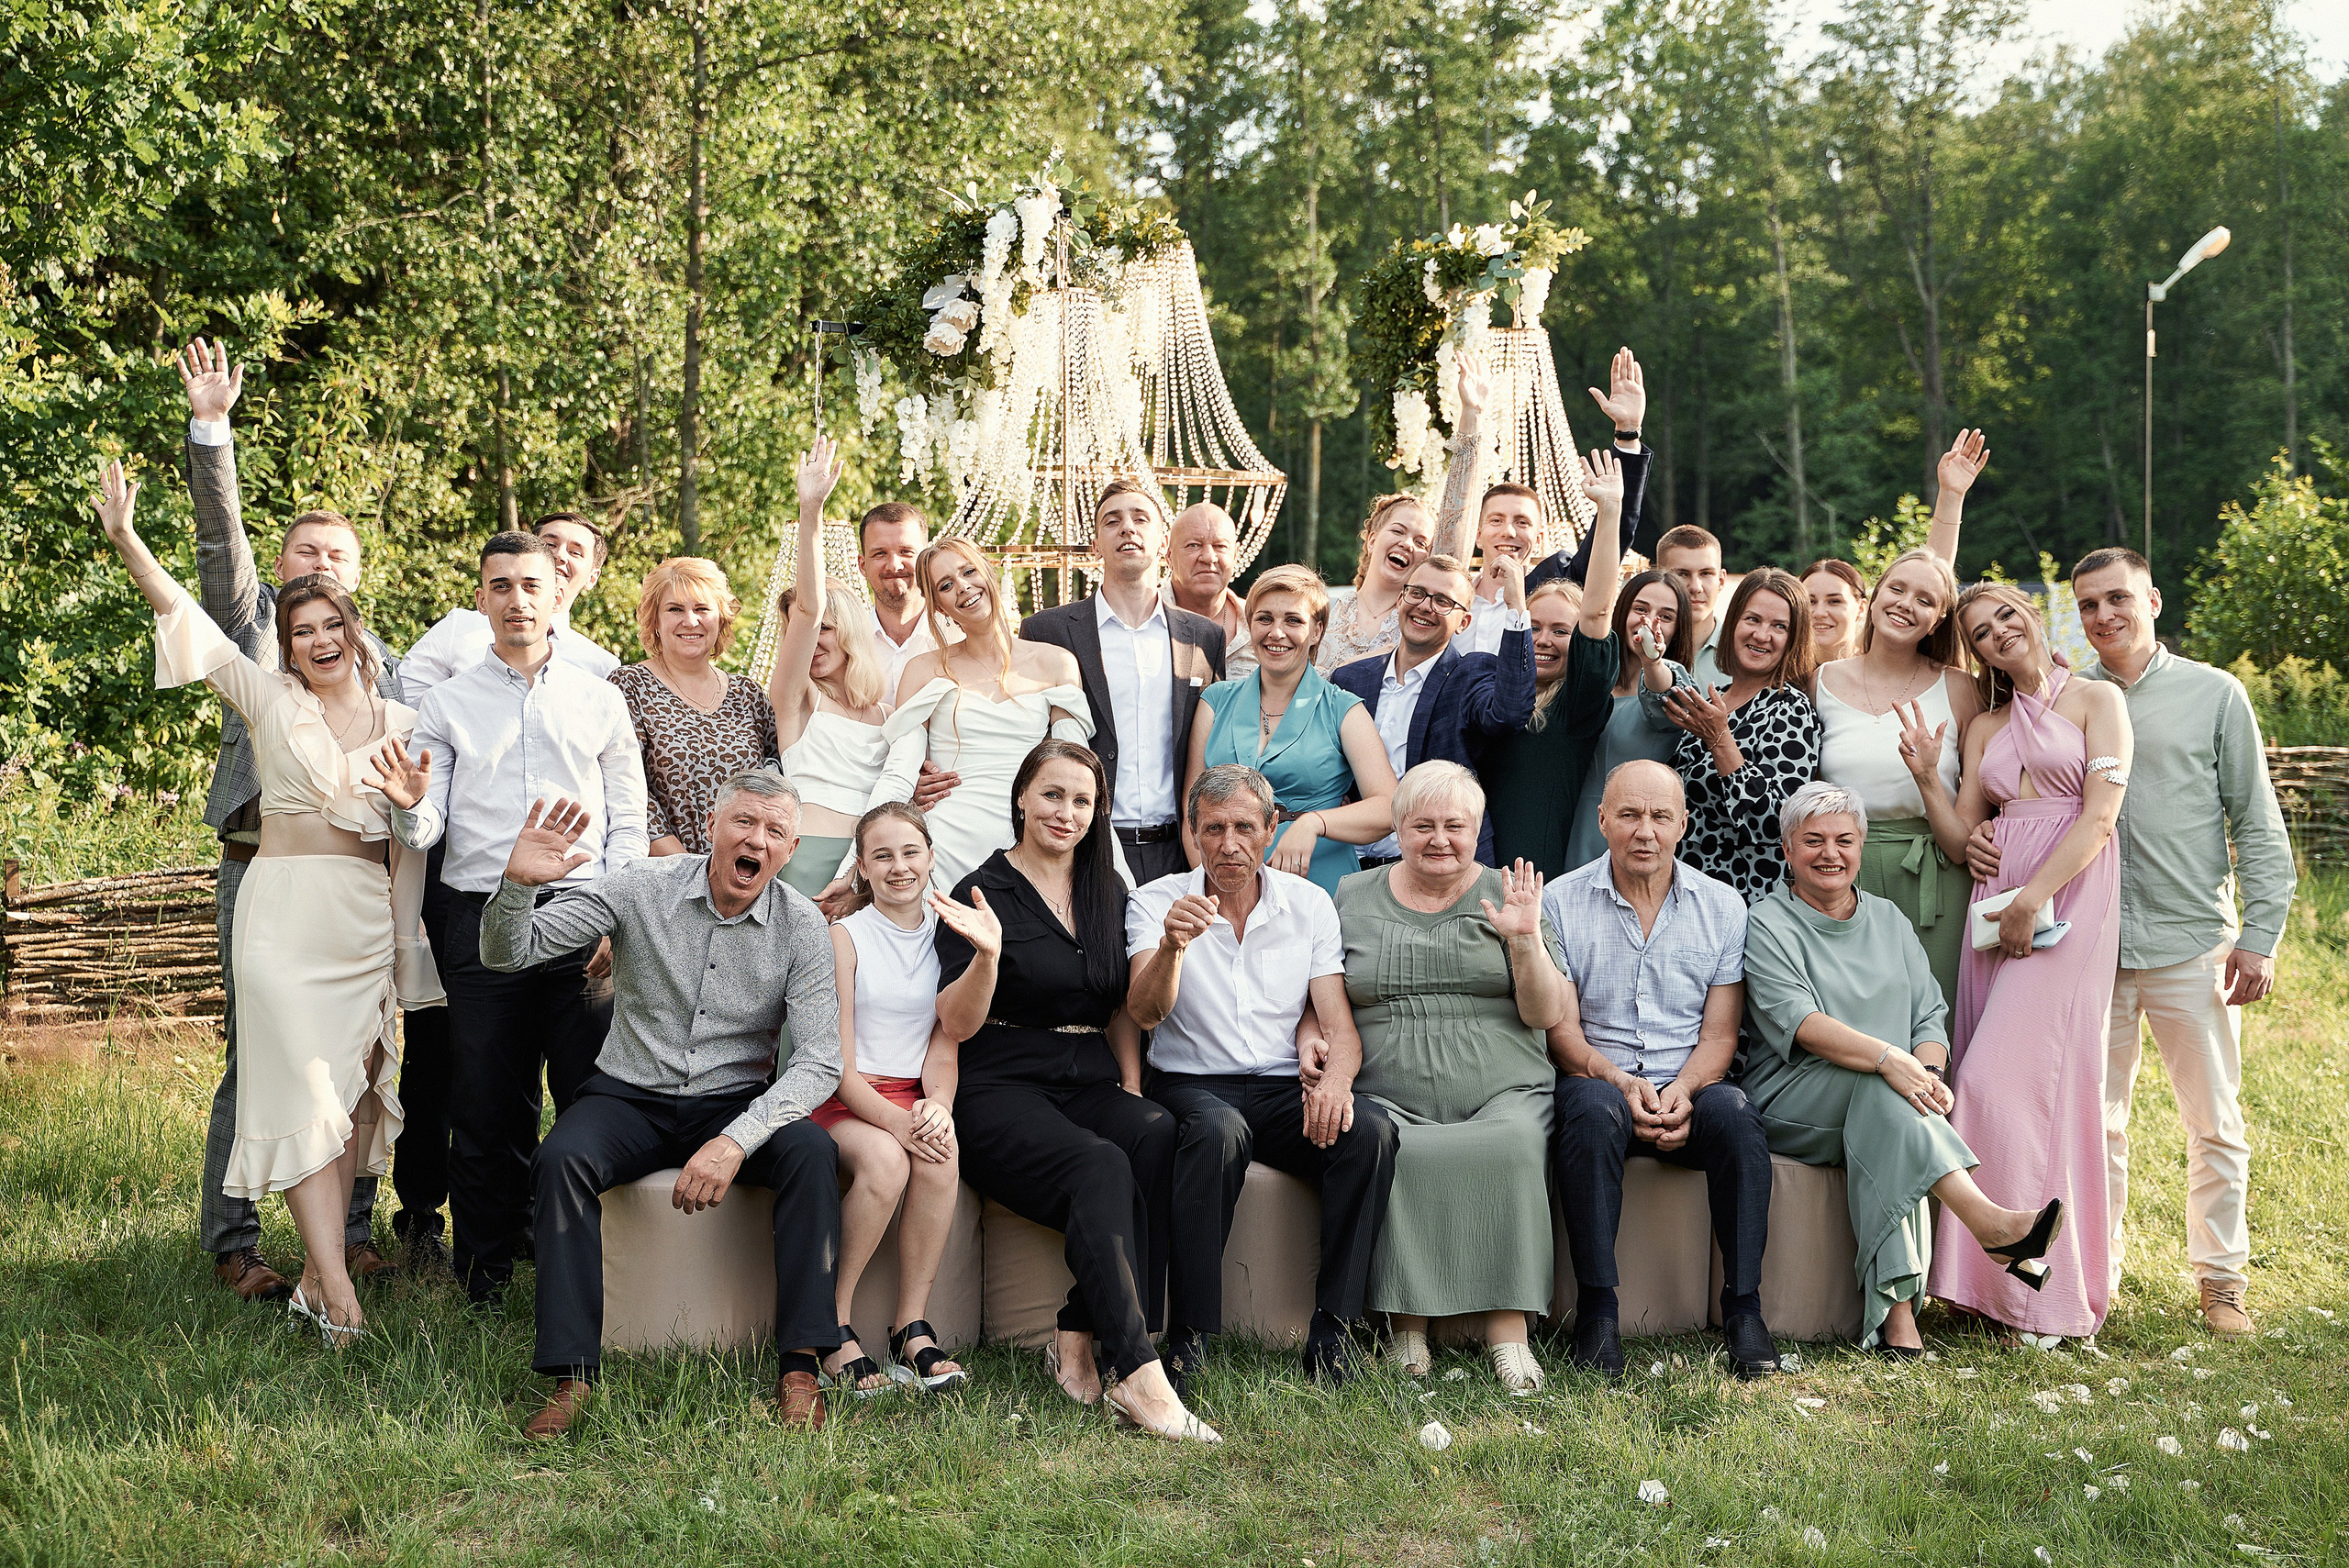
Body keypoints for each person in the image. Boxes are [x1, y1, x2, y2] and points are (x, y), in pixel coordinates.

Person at [92, 460, 440, 1345]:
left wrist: (411, 805)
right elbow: (191, 619)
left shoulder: (404, 724)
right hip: (281, 916)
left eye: (331, 625)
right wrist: (130, 540)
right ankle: (338, 1293)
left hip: (362, 923)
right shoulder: (266, 700)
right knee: (297, 1094)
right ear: (285, 645)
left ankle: (319, 1287)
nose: (317, 640)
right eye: (300, 630)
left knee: (351, 1098)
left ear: (355, 631)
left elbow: (426, 832)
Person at [486, 773, 844, 1439]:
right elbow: (509, 952)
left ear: (790, 848)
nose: (754, 839)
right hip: (630, 1093)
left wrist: (737, 1138)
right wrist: (517, 887)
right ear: (712, 825)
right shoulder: (639, 884)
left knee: (812, 1152)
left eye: (772, 831)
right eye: (743, 822)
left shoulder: (801, 927)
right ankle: (572, 1377)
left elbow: (820, 1059)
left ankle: (800, 1368)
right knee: (561, 1157)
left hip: (733, 1102)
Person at [173, 339, 393, 1299]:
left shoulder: (377, 655)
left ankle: (339, 1244)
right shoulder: (257, 624)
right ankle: (235, 1242)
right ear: (286, 563)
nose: (322, 566)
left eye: (338, 556)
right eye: (307, 550)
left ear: (358, 574)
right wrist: (211, 431)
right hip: (263, 865)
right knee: (258, 1045)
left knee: (360, 1049)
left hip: (358, 880)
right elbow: (220, 549)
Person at [376, 531, 648, 1305]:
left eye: (532, 584)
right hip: (479, 916)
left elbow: (627, 820)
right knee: (486, 1102)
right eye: (500, 586)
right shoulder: (448, 703)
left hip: (582, 917)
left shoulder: (600, 697)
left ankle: (598, 1266)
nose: (517, 600)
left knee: (592, 1092)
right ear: (482, 597)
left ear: (558, 591)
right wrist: (406, 809)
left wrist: (614, 916)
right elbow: (430, 828)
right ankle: (485, 1270)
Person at [931, 740, 1218, 1441]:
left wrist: (1128, 1087)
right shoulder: (981, 890)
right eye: (1052, 794)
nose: (1066, 812)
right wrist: (989, 956)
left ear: (1098, 813)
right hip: (1000, 1083)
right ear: (1022, 798)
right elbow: (954, 1019)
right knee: (1101, 1163)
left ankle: (1079, 1327)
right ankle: (1141, 1377)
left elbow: (1121, 1004)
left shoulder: (1104, 890)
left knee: (1150, 1129)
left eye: (1082, 800)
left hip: (1085, 1074)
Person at [1742, 782, 2067, 1354]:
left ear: (1862, 848)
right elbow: (1800, 1022)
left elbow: (1930, 1013)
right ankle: (1989, 1225)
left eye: (1844, 839)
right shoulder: (1767, 922)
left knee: (1896, 1110)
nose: (1830, 853)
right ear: (1787, 850)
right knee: (1893, 1099)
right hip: (1792, 1096)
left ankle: (1901, 1328)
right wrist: (1894, 1063)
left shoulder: (1888, 919)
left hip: (1887, 1092)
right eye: (1812, 840)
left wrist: (1928, 1071)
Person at [2073, 549, 2293, 1338]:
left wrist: (2260, 934)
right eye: (2089, 604)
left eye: (2118, 599)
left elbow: (2258, 823)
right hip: (2092, 949)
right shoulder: (2075, 699)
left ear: (2154, 600)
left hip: (2194, 941)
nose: (2104, 616)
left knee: (2216, 1122)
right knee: (2096, 1124)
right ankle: (2096, 1273)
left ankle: (2222, 1280)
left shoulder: (2215, 694)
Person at [1125, 765, 1400, 1385]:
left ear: (1272, 829)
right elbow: (1144, 1012)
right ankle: (1190, 1336)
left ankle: (1332, 1330)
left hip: (1282, 1086)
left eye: (1245, 827)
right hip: (1193, 1081)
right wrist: (1172, 947)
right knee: (1218, 1129)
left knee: (1372, 1131)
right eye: (1214, 828)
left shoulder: (1308, 905)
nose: (1229, 844)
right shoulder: (1154, 900)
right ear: (1193, 833)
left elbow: (1339, 1026)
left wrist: (1335, 1083)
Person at [1924, 584, 2129, 1340]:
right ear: (1976, 652)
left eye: (2006, 614)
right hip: (1995, 904)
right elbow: (1963, 833)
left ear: (2033, 616)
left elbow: (2100, 816)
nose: (1998, 632)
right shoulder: (1985, 724)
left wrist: (2032, 899)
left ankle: (2040, 1294)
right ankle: (2005, 1292)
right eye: (1980, 632)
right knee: (1999, 1082)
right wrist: (1928, 781)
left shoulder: (2097, 701)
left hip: (2067, 900)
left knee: (2004, 1084)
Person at [1337, 762, 1569, 1392]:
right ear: (1397, 827)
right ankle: (1407, 1328)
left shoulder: (1510, 888)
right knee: (1397, 1148)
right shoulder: (1351, 897)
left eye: (1455, 826)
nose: (1440, 839)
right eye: (1423, 826)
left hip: (1503, 1086)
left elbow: (1546, 1013)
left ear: (1477, 829)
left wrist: (1524, 941)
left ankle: (1509, 1334)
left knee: (1513, 1145)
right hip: (1390, 1087)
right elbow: (1323, 996)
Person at [1544, 761, 1779, 1380]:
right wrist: (1620, 1083)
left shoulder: (1723, 906)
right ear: (1603, 821)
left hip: (1689, 1082)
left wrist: (1682, 1090)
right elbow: (1562, 1033)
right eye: (1628, 814)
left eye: (1658, 816)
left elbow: (1721, 1033)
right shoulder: (1560, 901)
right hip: (1599, 1078)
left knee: (1737, 1116)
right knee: (1591, 1111)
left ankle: (1744, 1310)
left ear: (1683, 823)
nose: (1643, 830)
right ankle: (1597, 1313)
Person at [811, 802, 966, 1396]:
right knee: (886, 1159)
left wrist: (938, 1106)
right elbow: (836, 1064)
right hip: (845, 1095)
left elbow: (944, 1049)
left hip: (912, 1091)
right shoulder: (845, 937)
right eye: (882, 855)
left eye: (910, 852)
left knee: (941, 1150)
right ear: (864, 868)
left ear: (930, 857)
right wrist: (897, 1123)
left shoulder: (950, 938)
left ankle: (910, 1325)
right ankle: (831, 1321)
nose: (899, 866)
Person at [1022, 480, 1228, 884]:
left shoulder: (1204, 637)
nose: (1127, 529)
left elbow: (1211, 742)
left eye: (1140, 519)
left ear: (1162, 541)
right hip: (1083, 847)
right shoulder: (1046, 631)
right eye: (1112, 521)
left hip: (1177, 850)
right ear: (1096, 544)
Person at [874, 539, 1100, 892]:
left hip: (1033, 835)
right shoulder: (923, 670)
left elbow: (1078, 770)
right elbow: (898, 773)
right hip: (948, 841)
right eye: (946, 586)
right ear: (940, 608)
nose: (963, 587)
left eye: (968, 572)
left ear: (989, 573)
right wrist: (853, 865)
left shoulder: (1055, 662)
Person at [1815, 547, 1978, 1010]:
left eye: (1925, 600)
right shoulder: (1820, 681)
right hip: (1843, 869)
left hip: (1935, 874)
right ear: (1876, 595)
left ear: (1940, 620)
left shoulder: (1960, 688)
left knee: (1935, 1011)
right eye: (1898, 589)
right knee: (1852, 1011)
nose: (1907, 603)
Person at [1187, 566, 1397, 894]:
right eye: (1265, 618)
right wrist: (1209, 885)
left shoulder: (1344, 709)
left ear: (1317, 631)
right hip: (1225, 885)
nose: (1277, 632)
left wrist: (1315, 823)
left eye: (1293, 620)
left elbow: (1388, 807)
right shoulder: (1214, 702)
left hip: (1318, 881)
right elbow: (1192, 810)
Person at [1475, 449, 1630, 876]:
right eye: (1533, 627)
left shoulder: (1575, 706)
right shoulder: (1488, 693)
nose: (1543, 640)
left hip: (1531, 876)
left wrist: (1610, 511)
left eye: (1561, 632)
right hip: (1465, 866)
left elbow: (1597, 612)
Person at [1330, 552, 1533, 871]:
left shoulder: (1469, 674)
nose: (1425, 606)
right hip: (1349, 861)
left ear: (1464, 622)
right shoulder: (1351, 678)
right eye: (1418, 593)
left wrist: (1516, 608)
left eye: (1443, 601)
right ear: (1401, 598)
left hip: (1438, 865)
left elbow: (1509, 714)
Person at [767, 439, 896, 904]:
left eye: (826, 629)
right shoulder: (797, 700)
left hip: (875, 865)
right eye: (803, 632)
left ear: (849, 629)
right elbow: (807, 607)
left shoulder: (886, 714)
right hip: (807, 861)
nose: (811, 640)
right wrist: (810, 512)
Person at [1655, 566, 1822, 902]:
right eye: (1752, 619)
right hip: (1685, 893)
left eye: (1779, 627)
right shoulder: (1713, 699)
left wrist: (1720, 739)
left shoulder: (1790, 708)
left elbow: (1775, 824)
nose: (1762, 635)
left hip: (1744, 898)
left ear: (1794, 638)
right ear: (1733, 623)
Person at [611, 557, 776, 857]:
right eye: (675, 609)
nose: (690, 621)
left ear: (721, 618)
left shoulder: (748, 694)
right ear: (655, 621)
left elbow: (774, 783)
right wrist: (690, 871)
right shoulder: (629, 686)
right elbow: (626, 792)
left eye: (702, 609)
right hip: (664, 874)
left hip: (746, 874)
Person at [400, 511, 621, 697]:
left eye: (575, 552)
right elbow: (406, 700)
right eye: (549, 545)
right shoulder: (459, 627)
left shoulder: (601, 666)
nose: (559, 555)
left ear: (593, 577)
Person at [1564, 569, 1695, 871]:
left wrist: (1653, 662)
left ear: (1678, 629)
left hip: (1625, 835)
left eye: (1666, 616)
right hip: (1564, 820)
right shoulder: (1591, 677)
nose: (1649, 622)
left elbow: (1662, 698)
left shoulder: (1676, 681)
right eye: (1641, 609)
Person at [1316, 494, 1434, 673]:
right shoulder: (1324, 612)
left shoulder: (1419, 629)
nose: (1407, 544)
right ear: (1372, 541)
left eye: (1420, 543)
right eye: (1398, 531)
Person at [856, 499, 945, 705]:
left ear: (926, 558)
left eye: (906, 552)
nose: (894, 565)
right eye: (880, 553)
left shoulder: (958, 636)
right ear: (862, 565)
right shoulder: (846, 646)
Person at [1167, 502, 1256, 680]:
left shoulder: (1260, 625)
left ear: (1236, 555)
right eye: (1193, 545)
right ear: (1169, 556)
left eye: (1220, 546)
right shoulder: (1146, 620)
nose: (1209, 557)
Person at [1653, 525, 1730, 690]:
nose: (1695, 587)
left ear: (1721, 581)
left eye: (1706, 573)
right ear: (1660, 578)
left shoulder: (1742, 652)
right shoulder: (1637, 648)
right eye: (1682, 574)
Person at [1801, 559, 1866, 668]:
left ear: (1861, 608)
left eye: (1834, 601)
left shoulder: (1882, 673)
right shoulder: (1779, 676)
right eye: (1810, 602)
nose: (1819, 613)